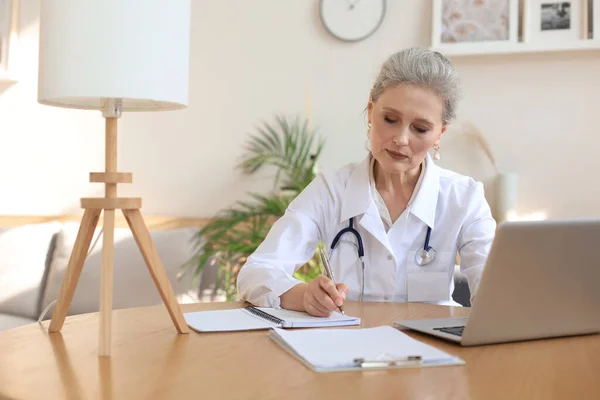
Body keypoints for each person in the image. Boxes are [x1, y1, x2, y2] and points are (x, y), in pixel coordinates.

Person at [236, 47, 497, 317]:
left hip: (434, 350)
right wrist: (303, 296)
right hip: (348, 348)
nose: (401, 139)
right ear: (371, 111)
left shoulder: (465, 197)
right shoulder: (331, 189)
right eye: (390, 119)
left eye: (420, 129)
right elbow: (255, 273)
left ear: (440, 133)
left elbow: (497, 293)